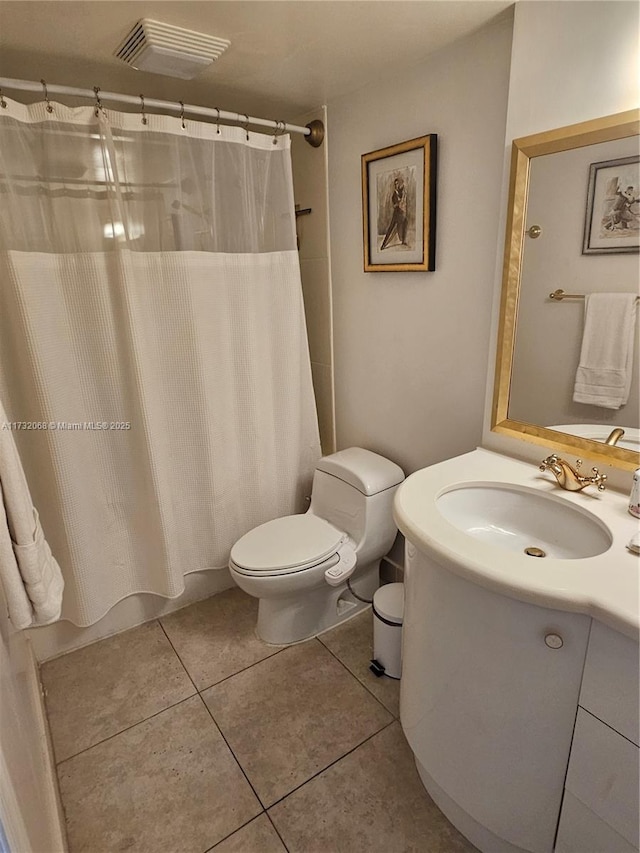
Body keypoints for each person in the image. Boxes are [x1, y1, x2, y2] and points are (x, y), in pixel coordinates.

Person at [380, 176, 408, 249]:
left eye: (397, 184)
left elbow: (403, 192)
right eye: (395, 184)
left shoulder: (400, 192)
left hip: (401, 213)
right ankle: (383, 244)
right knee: (391, 228)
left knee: (405, 222)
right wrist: (399, 202)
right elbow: (395, 205)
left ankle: (403, 241)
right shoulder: (394, 195)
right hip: (396, 214)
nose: (396, 185)